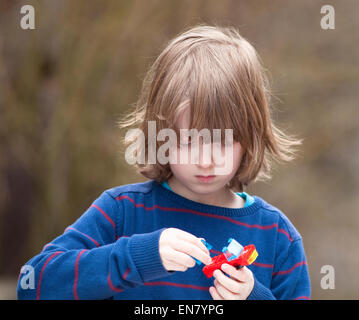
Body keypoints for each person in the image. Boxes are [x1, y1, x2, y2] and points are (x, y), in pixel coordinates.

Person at [17, 24, 311, 300]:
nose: (205, 161)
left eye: (222, 141)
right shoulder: (123, 212)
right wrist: (137, 257)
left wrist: (253, 295)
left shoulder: (277, 236)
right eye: (186, 141)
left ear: (249, 136)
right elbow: (33, 285)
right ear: (160, 137)